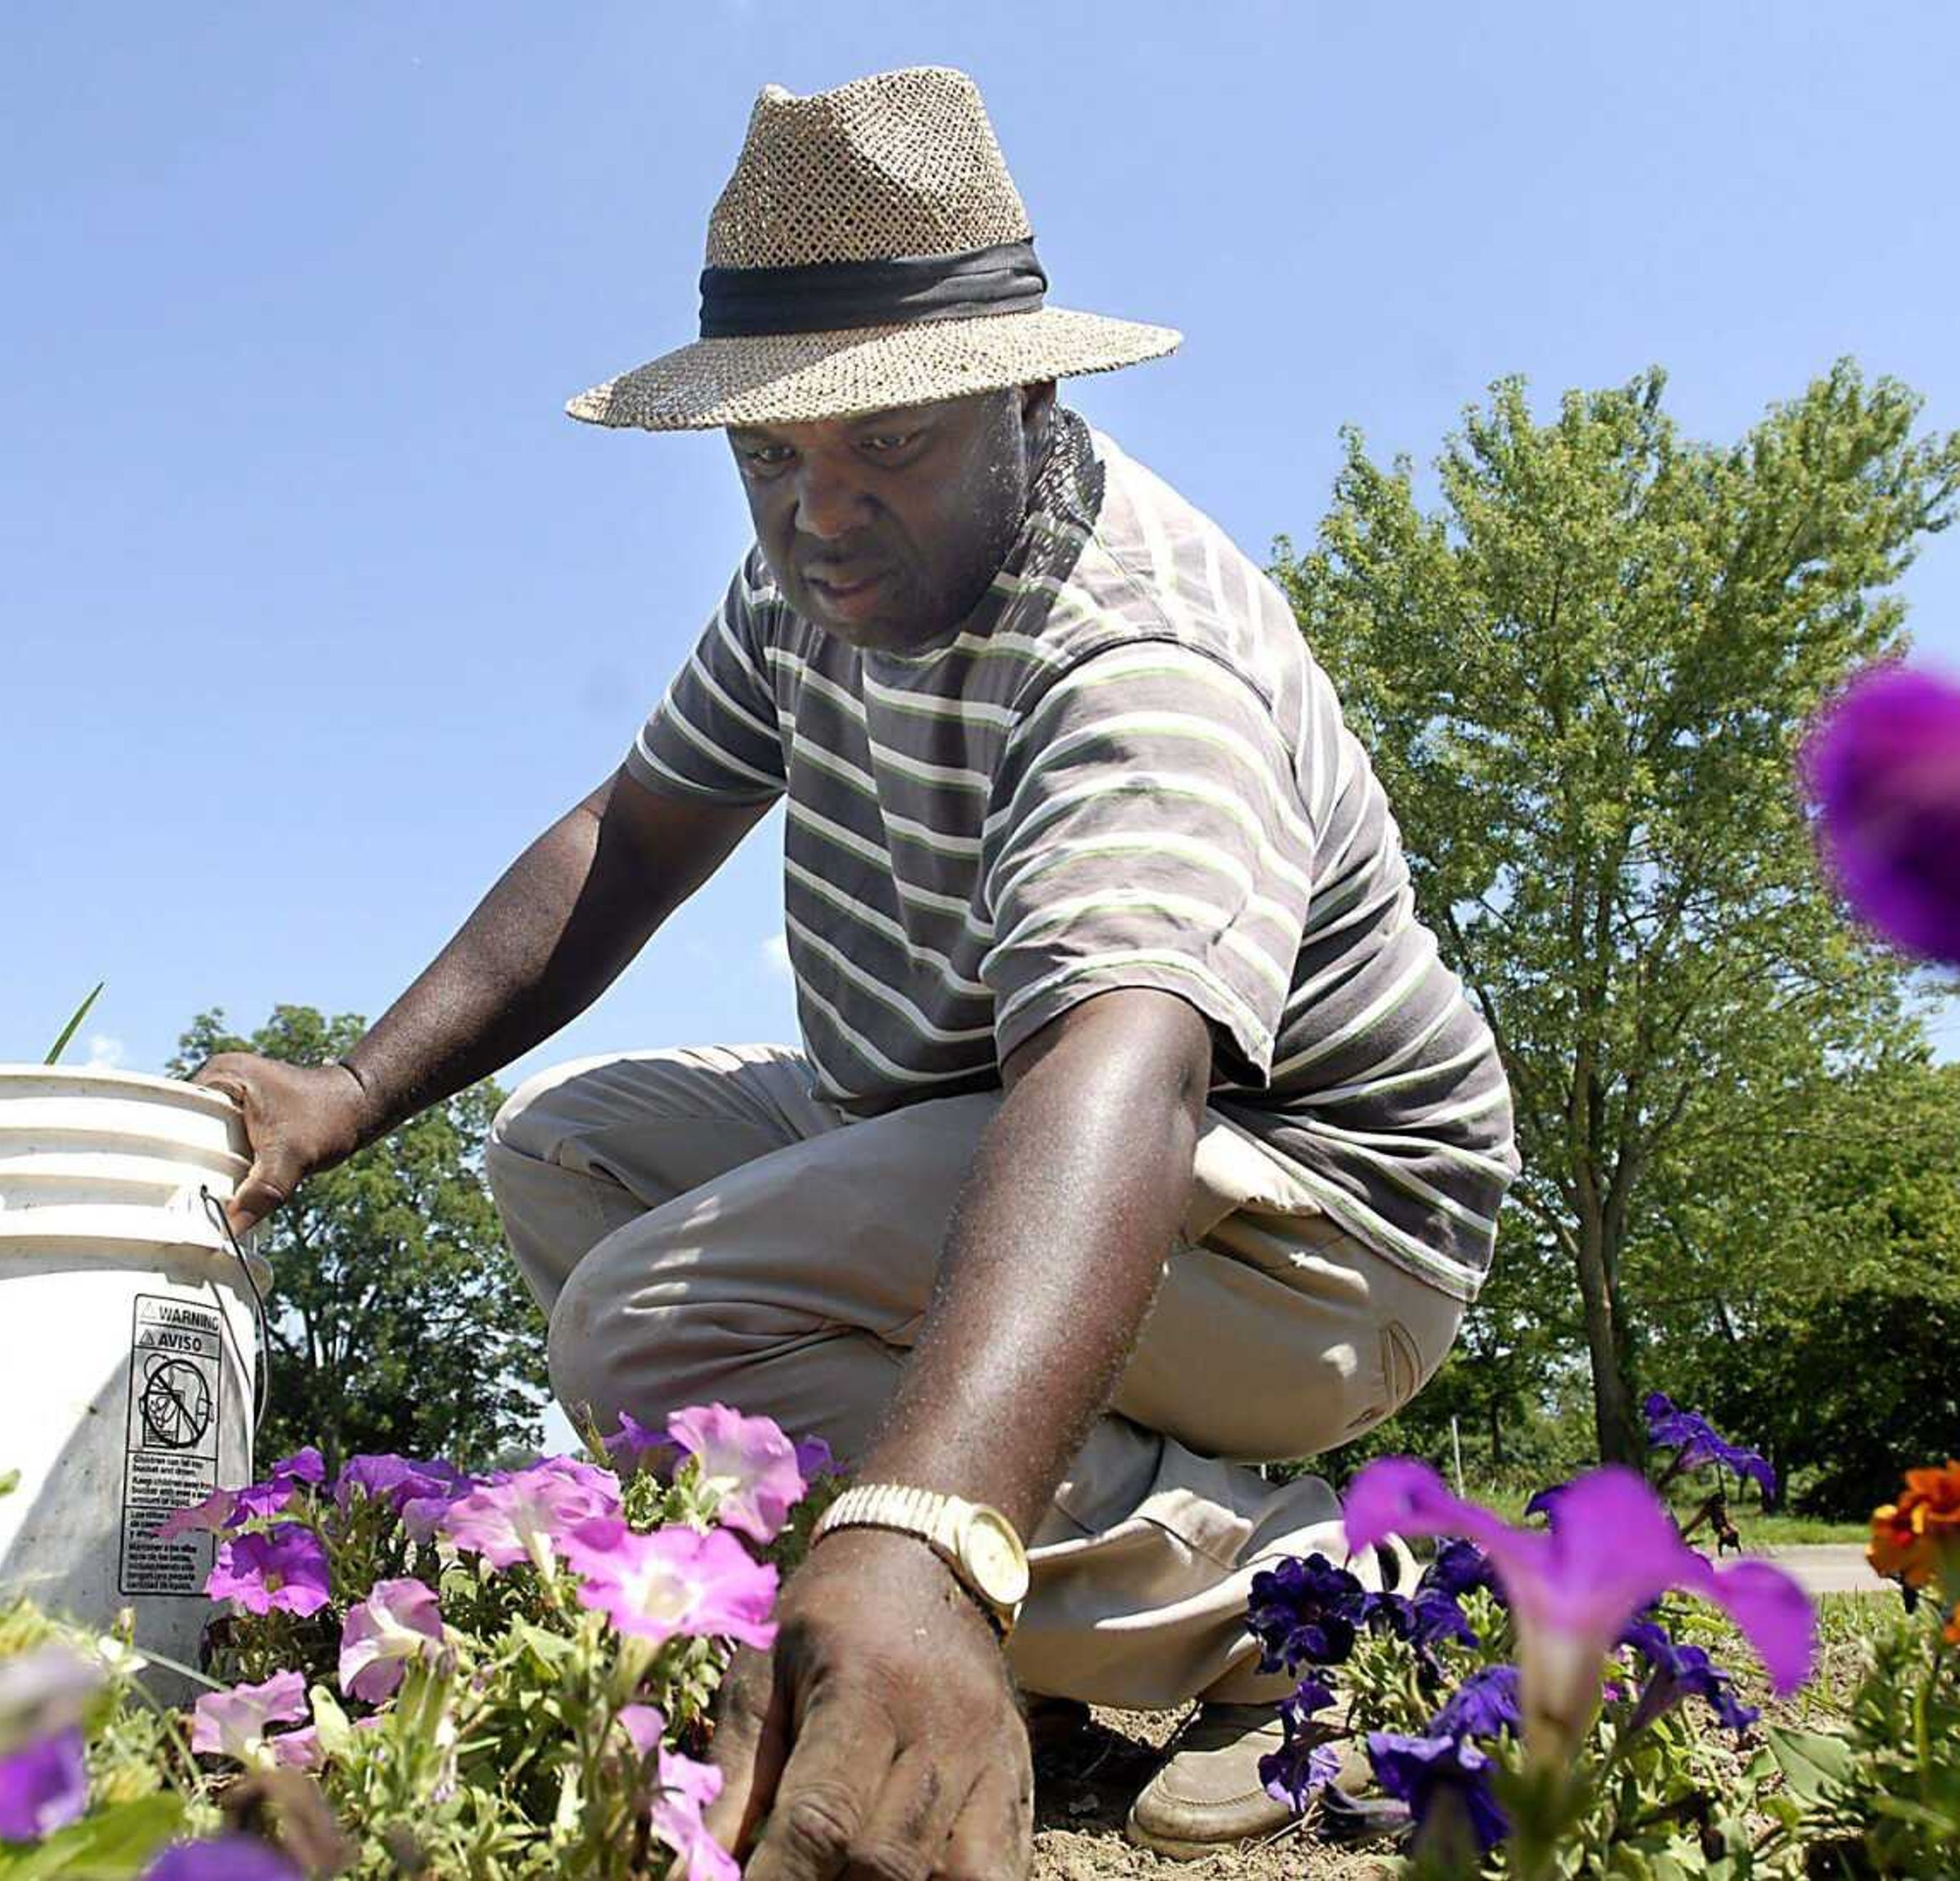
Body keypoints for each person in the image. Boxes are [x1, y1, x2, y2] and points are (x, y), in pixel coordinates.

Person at [194, 65, 1515, 1872]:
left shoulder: (1138, 656)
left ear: (1026, 387)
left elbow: (1125, 1068)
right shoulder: (817, 590)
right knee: (564, 1155)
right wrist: (348, 1094)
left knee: (653, 1324)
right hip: (986, 1118)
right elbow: (633, 837)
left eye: (886, 438)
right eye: (769, 453)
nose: (818, 509)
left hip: (1309, 1227)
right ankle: (1041, 1622)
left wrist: (929, 1521)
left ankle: (1296, 1605)